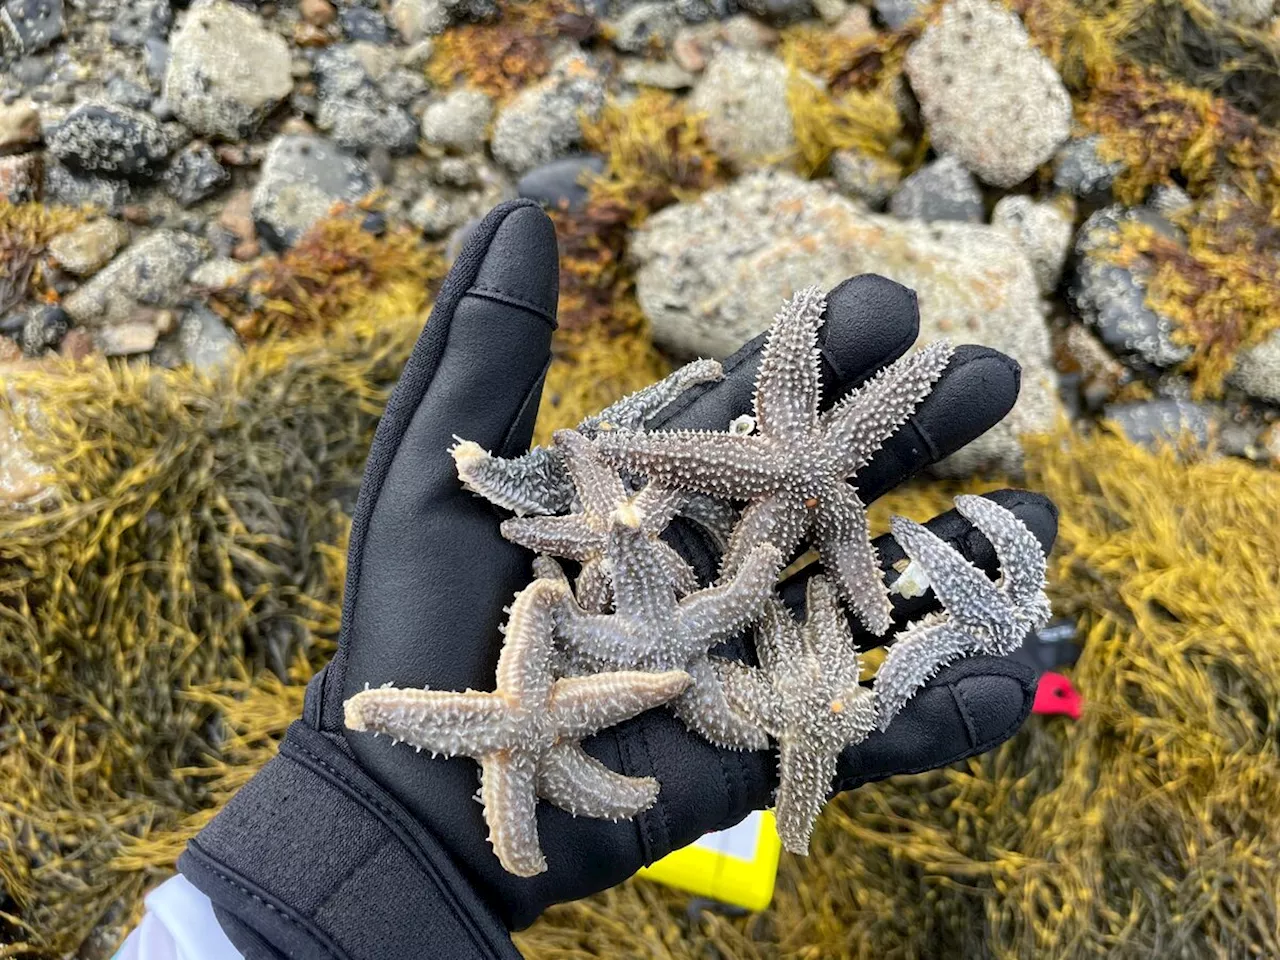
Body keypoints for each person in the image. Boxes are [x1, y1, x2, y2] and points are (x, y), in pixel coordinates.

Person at [116, 200, 1057, 960]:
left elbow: (694, 595)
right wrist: (392, 831)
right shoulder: (577, 634)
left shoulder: (685, 582)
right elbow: (585, 614)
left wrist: (360, 832)